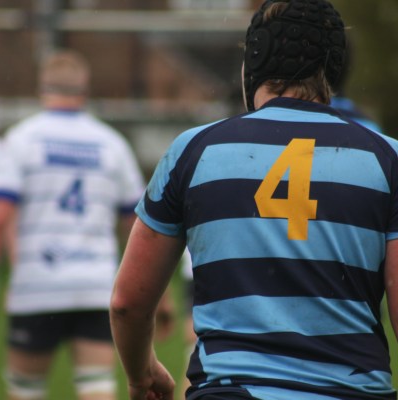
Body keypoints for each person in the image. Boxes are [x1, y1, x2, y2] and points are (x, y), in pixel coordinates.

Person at [110, 1, 398, 400]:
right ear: (333, 68)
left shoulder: (194, 150)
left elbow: (127, 303)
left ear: (254, 64)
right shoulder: (387, 158)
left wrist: (141, 373)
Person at [2, 49, 145, 400]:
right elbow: (138, 223)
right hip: (95, 284)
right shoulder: (112, 143)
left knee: (26, 389)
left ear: (42, 88)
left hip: (38, 282)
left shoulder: (20, 139)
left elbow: (3, 212)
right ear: (84, 89)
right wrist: (156, 292)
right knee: (96, 384)